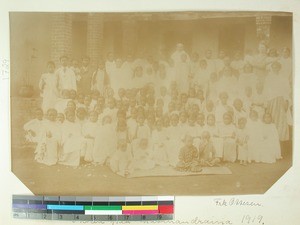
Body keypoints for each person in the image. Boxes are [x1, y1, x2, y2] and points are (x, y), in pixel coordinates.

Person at [265, 61, 290, 142]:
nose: (275, 68)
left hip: (281, 100)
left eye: (277, 67)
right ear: (272, 68)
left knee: (281, 120)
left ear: (279, 68)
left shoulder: (283, 77)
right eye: (274, 67)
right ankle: (272, 138)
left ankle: (281, 138)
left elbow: (286, 91)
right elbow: (266, 91)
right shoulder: (268, 78)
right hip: (271, 101)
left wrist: (286, 101)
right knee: (272, 118)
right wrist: (267, 102)